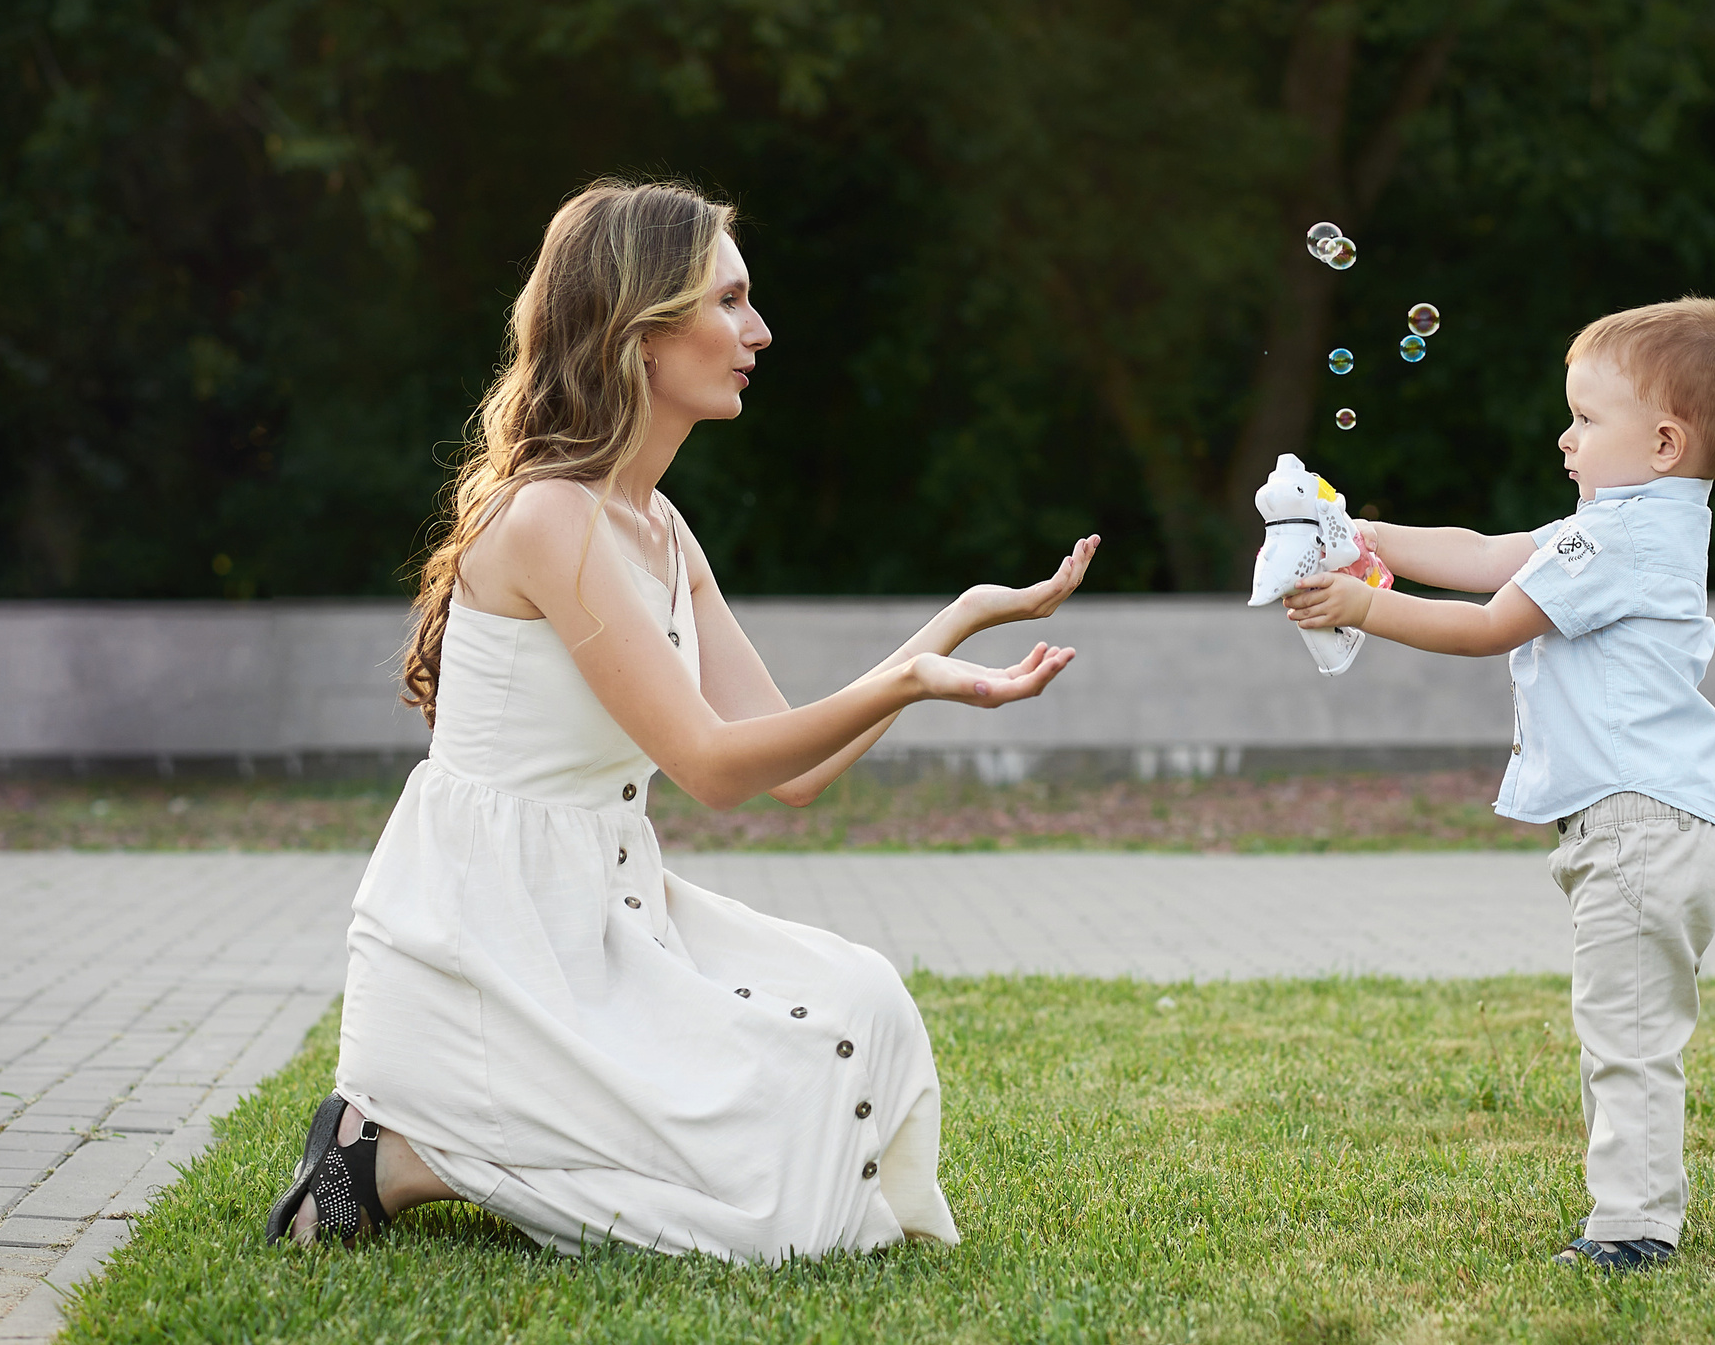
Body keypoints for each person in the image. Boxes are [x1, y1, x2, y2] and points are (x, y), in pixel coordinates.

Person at [267, 178, 1099, 1260]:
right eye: (730, 301)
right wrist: (908, 683)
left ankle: (434, 1145)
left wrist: (955, 626)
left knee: (864, 1009)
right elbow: (712, 765)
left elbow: (789, 764)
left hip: (604, 910)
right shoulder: (549, 519)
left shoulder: (656, 523)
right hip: (489, 938)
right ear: (639, 331)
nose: (759, 331)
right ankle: (393, 1150)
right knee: (782, 1210)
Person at [1283, 297, 1715, 1273]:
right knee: (1619, 1027)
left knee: (1625, 1036)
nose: (1566, 435)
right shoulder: (1620, 525)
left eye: (1586, 419)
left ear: (1664, 441)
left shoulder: (1616, 540)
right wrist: (1357, 532)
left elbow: (1487, 620)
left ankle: (1632, 1229)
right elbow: (1482, 552)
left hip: (1639, 825)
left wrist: (1356, 604)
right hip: (1646, 825)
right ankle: (1631, 1209)